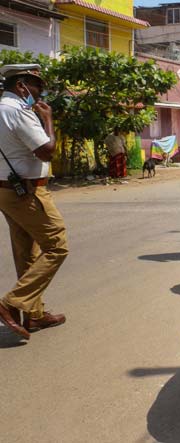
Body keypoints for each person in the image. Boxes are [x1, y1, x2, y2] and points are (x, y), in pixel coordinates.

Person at [0, 64, 68, 340]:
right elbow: (47, 151)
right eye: (37, 87)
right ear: (21, 86)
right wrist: (48, 120)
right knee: (57, 246)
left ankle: (35, 315)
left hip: (6, 190)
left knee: (27, 252)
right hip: (27, 191)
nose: (40, 95)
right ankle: (11, 303)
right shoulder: (18, 110)